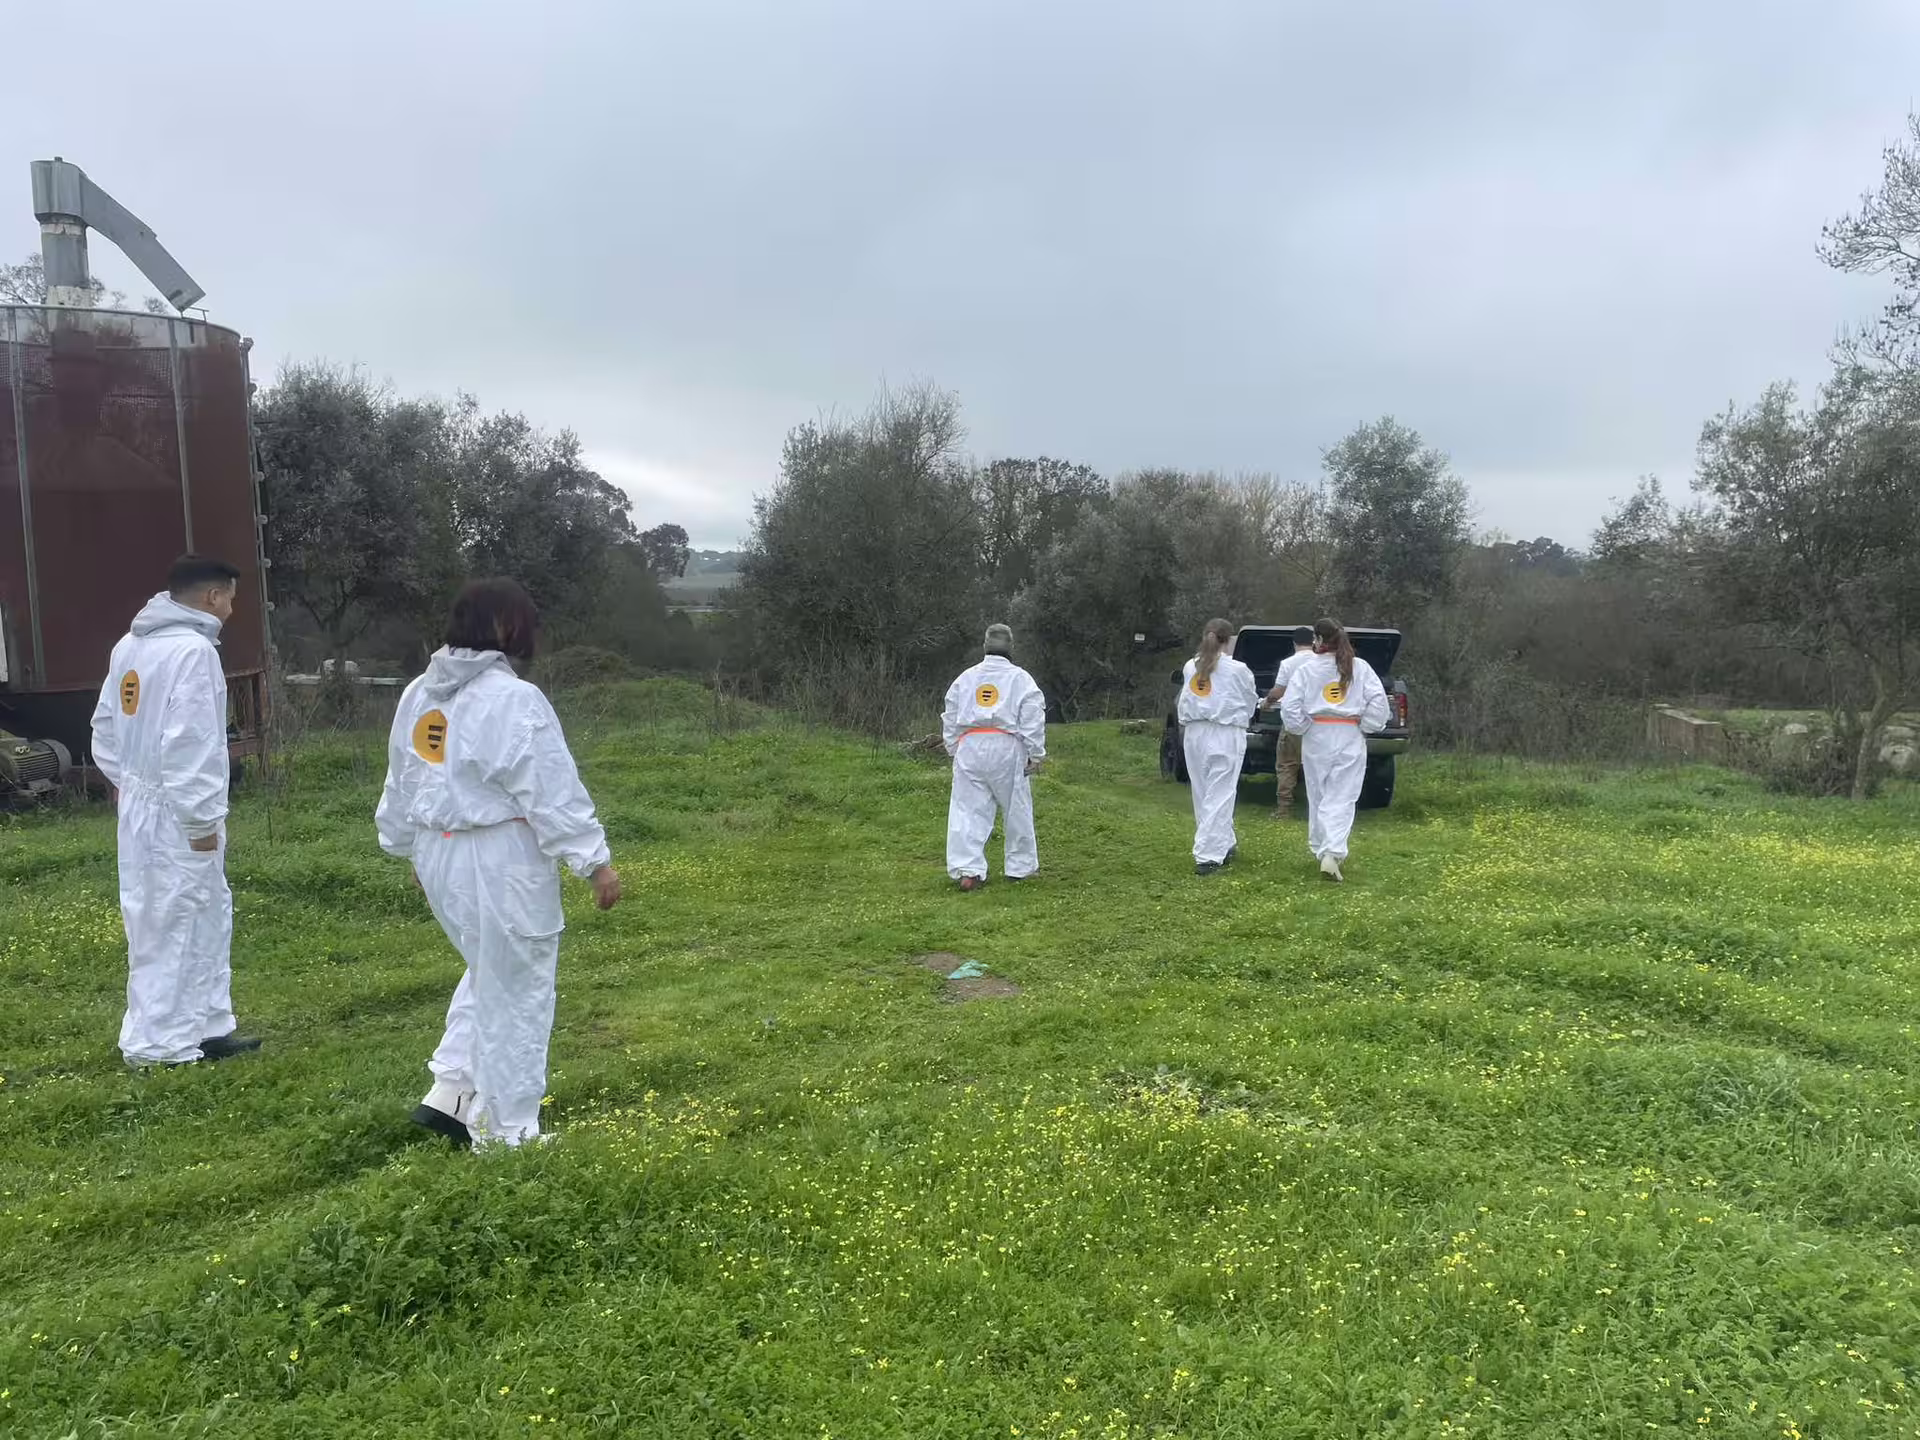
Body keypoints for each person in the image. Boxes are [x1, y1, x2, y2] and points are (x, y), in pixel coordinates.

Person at [376, 579, 622, 1148]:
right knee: (518, 986)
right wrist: (594, 863)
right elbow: (549, 789)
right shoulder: (514, 700)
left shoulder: (420, 692)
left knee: (490, 968)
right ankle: (508, 1131)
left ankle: (453, 1094)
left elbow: (403, 775)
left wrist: (412, 845)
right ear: (509, 628)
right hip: (500, 855)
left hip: (440, 850)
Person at [90, 554, 260, 1067]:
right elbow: (193, 742)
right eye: (230, 596)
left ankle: (207, 1025)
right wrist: (199, 818)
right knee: (171, 918)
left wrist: (132, 784)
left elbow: (104, 726)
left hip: (148, 800)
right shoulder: (191, 652)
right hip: (177, 809)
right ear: (212, 596)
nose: (232, 607)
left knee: (204, 912)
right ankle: (157, 1044)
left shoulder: (131, 645)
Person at [1280, 617, 1390, 883]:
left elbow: (1290, 707)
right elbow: (1378, 700)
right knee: (1342, 795)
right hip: (1349, 733)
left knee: (1319, 793)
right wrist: (1368, 724)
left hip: (1317, 733)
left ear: (1317, 640)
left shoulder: (1307, 669)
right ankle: (1332, 851)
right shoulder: (1359, 667)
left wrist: (1303, 727)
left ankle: (1323, 848)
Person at [942, 622, 1046, 892]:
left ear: (985, 646)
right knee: (1016, 807)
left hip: (970, 744)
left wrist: (953, 746)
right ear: (1011, 647)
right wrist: (1035, 753)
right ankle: (1020, 868)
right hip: (1007, 745)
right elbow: (1033, 716)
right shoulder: (1021, 678)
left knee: (967, 809)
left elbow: (951, 714)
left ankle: (968, 871)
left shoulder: (965, 678)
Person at [1178, 617, 1260, 875]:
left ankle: (1224, 841)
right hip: (1224, 732)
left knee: (1203, 792)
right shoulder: (1237, 669)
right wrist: (1246, 717)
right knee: (1220, 792)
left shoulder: (1190, 666)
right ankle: (1208, 855)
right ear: (1228, 640)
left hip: (1194, 732)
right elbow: (1249, 699)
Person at [1262, 625, 1317, 819]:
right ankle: (1319, 809)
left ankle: (1284, 809)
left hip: (1293, 721)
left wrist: (1266, 703)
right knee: (1319, 765)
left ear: (1294, 642)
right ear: (1314, 641)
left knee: (1287, 764)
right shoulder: (1323, 662)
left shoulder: (1289, 663)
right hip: (1319, 722)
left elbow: (1279, 691)